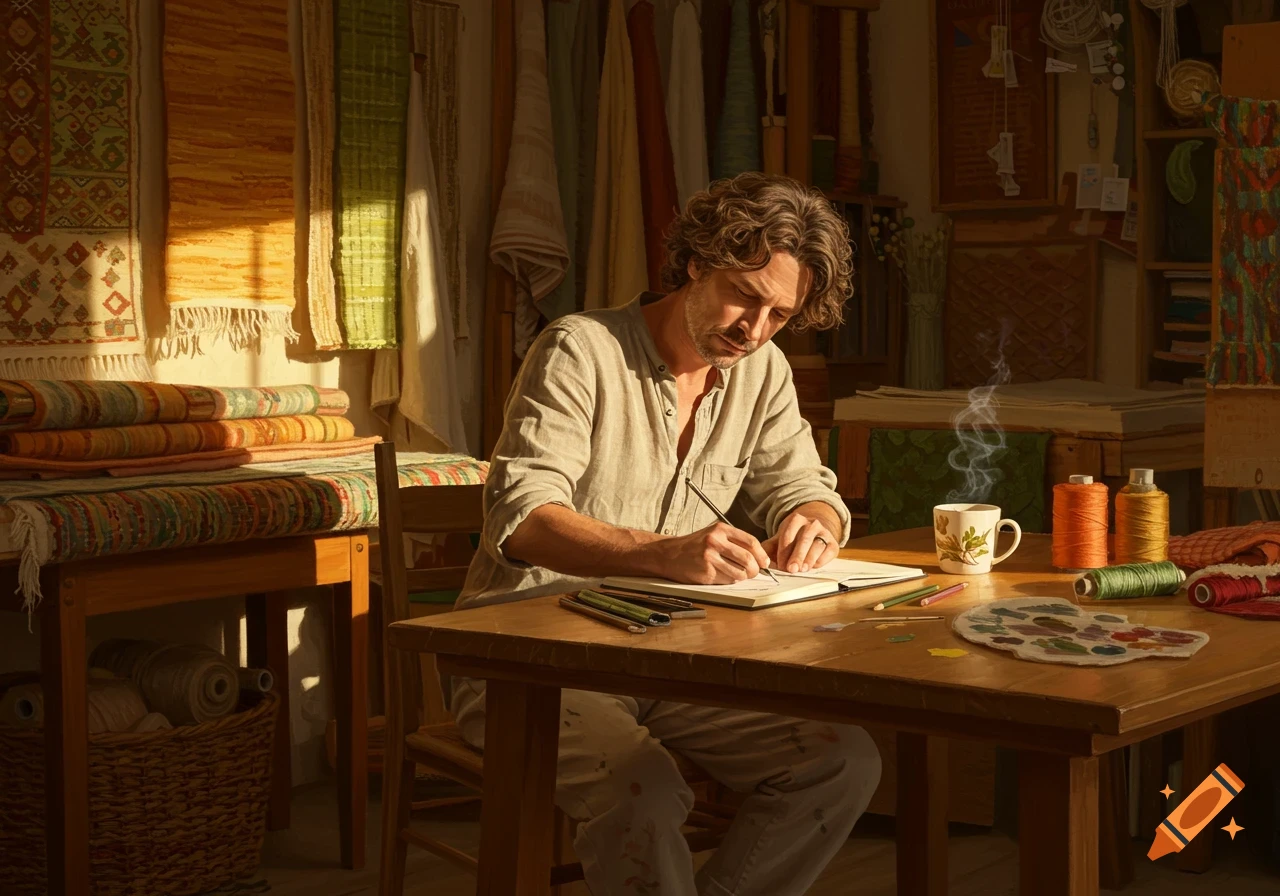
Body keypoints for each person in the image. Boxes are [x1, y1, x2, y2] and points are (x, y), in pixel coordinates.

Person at [452, 172, 881, 895]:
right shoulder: (580, 349)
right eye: (744, 295)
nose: (754, 330)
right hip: (529, 662)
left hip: (669, 657)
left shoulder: (763, 371)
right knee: (642, 786)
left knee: (842, 761)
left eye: (779, 314)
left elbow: (805, 485)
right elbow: (521, 519)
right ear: (696, 261)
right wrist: (663, 553)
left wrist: (815, 520)